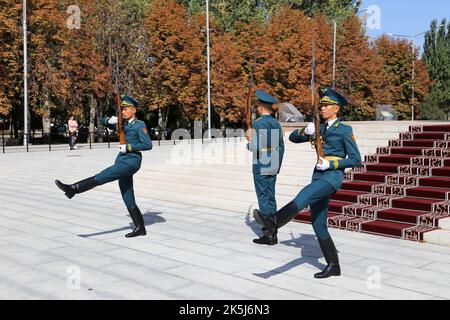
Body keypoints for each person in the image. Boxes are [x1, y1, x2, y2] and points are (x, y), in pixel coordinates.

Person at [254, 87, 362, 279]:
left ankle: (274, 222)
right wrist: (305, 130)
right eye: (321, 105)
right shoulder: (318, 127)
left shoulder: (345, 130)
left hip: (332, 177)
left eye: (326, 105)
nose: (321, 107)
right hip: (318, 175)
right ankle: (333, 265)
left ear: (336, 109)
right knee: (318, 223)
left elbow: (355, 159)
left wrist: (332, 162)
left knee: (304, 195)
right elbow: (293, 138)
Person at [55, 94, 153, 238]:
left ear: (134, 110)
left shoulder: (140, 125)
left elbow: (147, 144)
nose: (123, 112)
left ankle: (74, 189)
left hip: (132, 161)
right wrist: (109, 119)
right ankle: (140, 227)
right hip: (121, 159)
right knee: (127, 194)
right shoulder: (121, 123)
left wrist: (129, 147)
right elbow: (101, 121)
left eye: (126, 109)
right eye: (122, 109)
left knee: (105, 175)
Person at [247, 89, 285, 246]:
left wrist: (248, 140)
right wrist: (277, 165)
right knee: (271, 196)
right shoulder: (276, 124)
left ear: (261, 107)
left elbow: (254, 147)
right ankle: (274, 231)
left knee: (263, 197)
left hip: (261, 162)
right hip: (273, 162)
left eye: (258, 106)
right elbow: (281, 146)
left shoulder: (257, 124)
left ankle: (268, 233)